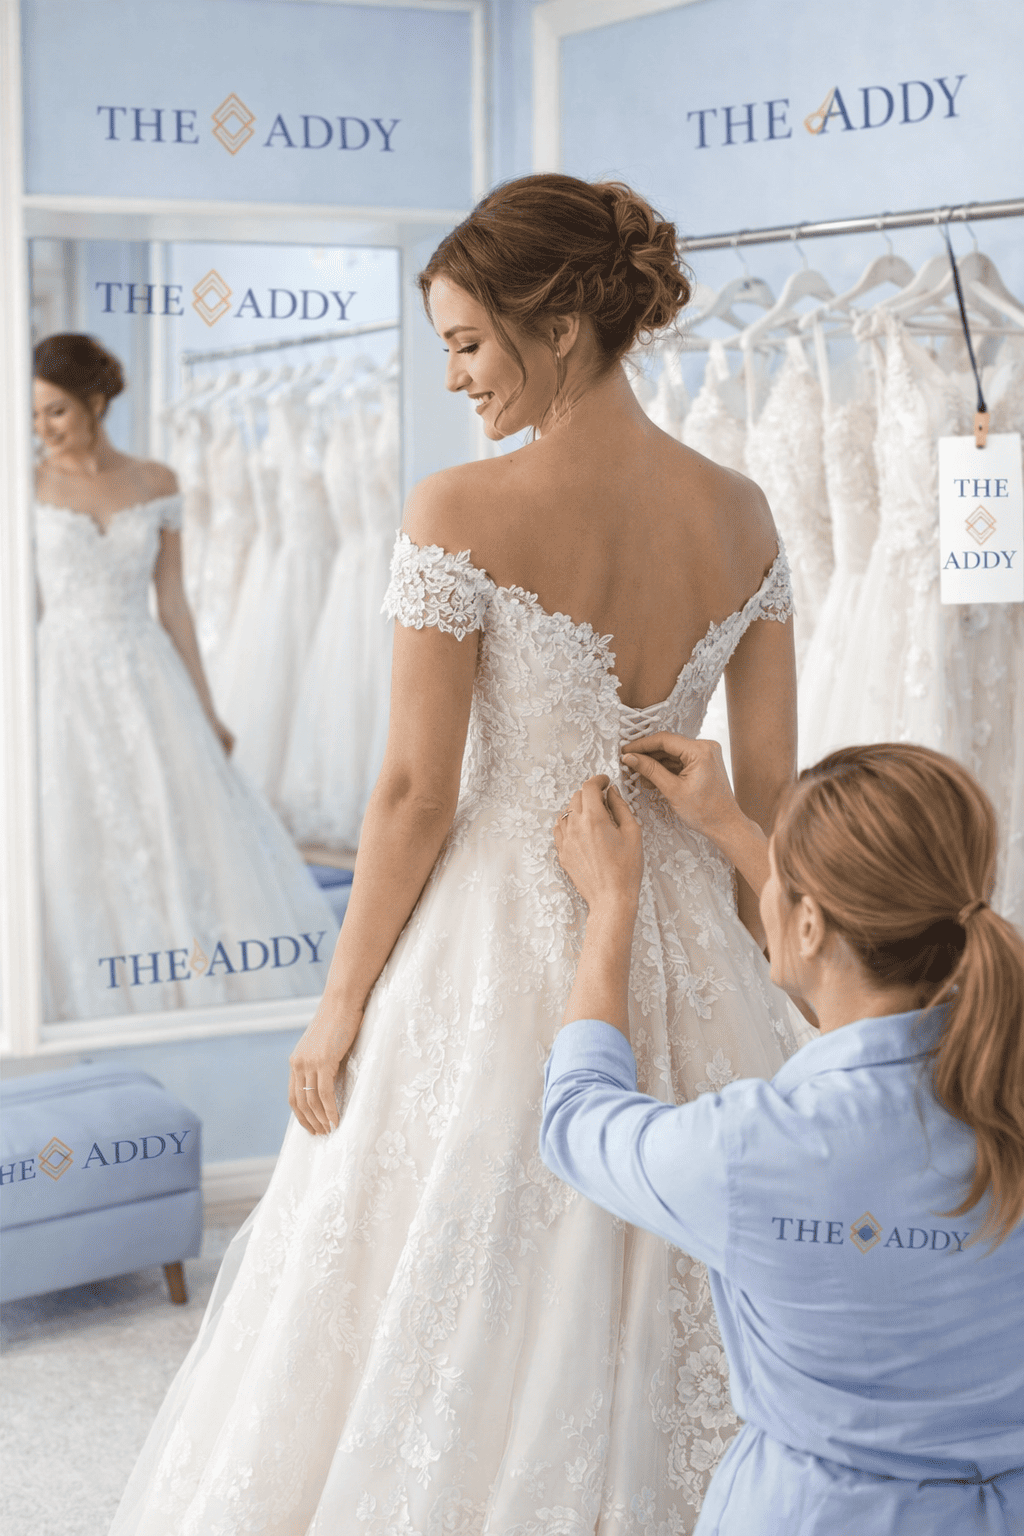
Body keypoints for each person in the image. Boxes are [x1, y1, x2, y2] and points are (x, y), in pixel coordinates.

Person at [110, 173, 803, 1534]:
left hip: (501, 940)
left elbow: (417, 794)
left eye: (467, 342)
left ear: (555, 323)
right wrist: (785, 992)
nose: (454, 377)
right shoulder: (746, 513)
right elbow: (763, 797)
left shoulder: (459, 510)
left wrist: (341, 998)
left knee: (446, 1265)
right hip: (691, 936)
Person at [542, 736, 1024, 1534]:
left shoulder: (754, 1152)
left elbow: (576, 1116)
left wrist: (610, 906)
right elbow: (865, 980)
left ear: (804, 927)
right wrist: (732, 826)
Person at [33, 334, 337, 1019]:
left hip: (146, 671)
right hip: (61, 677)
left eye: (54, 411)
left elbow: (173, 604)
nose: (42, 429)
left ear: (95, 401)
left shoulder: (155, 481)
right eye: (33, 416)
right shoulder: (23, 484)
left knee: (173, 819)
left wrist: (206, 710)